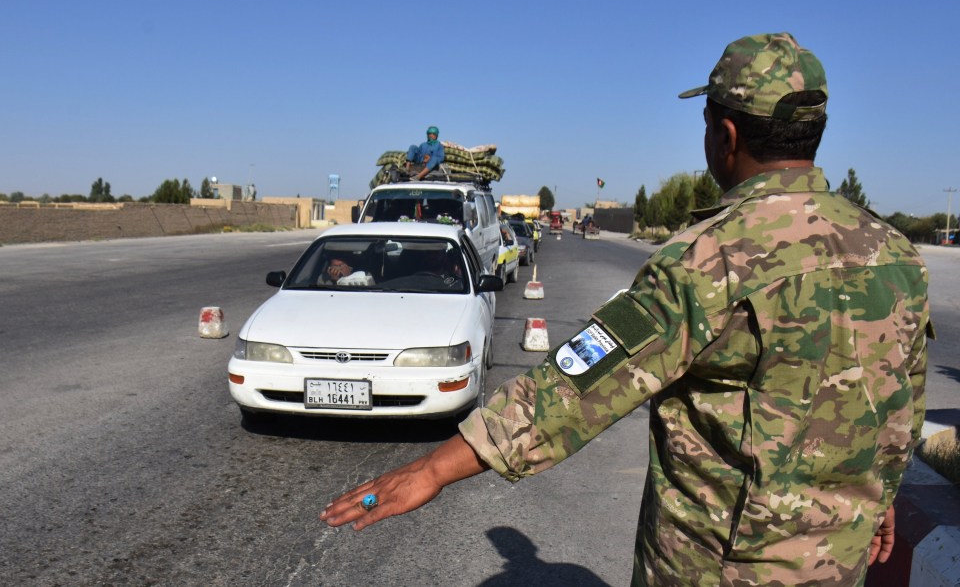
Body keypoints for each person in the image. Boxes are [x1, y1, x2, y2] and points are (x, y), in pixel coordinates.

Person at [320, 33, 932, 586]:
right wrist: (881, 501)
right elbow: (900, 402)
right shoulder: (897, 256)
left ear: (726, 136)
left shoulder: (710, 260)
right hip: (839, 562)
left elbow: (579, 383)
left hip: (720, 569)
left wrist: (432, 468)